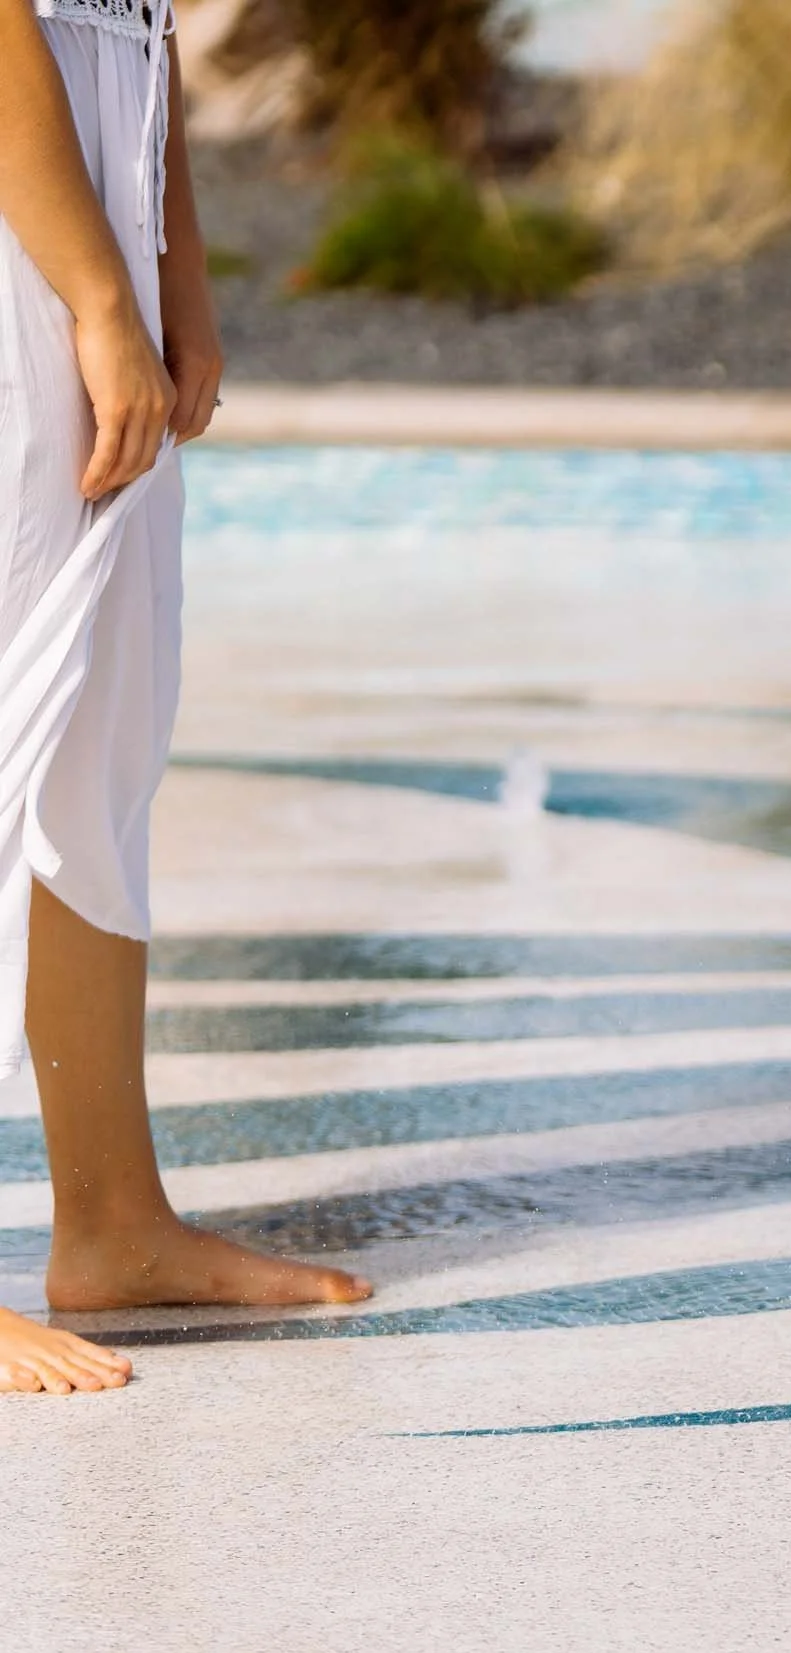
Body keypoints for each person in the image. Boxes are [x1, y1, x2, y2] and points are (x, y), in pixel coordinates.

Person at [0, 0, 369, 1397]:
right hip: (26, 225)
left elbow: (135, 27)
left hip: (87, 211)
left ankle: (111, 1217)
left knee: (98, 733)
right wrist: (104, 294)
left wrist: (173, 280)